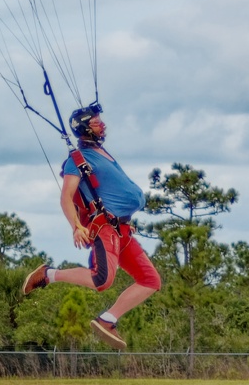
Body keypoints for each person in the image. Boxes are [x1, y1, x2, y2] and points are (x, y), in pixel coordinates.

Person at [22, 104, 161, 350]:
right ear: (86, 128)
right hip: (105, 227)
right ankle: (49, 274)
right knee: (102, 280)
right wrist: (76, 226)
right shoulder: (77, 160)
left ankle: (107, 320)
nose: (103, 124)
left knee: (150, 280)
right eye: (97, 122)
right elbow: (66, 197)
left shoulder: (99, 151)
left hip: (124, 230)